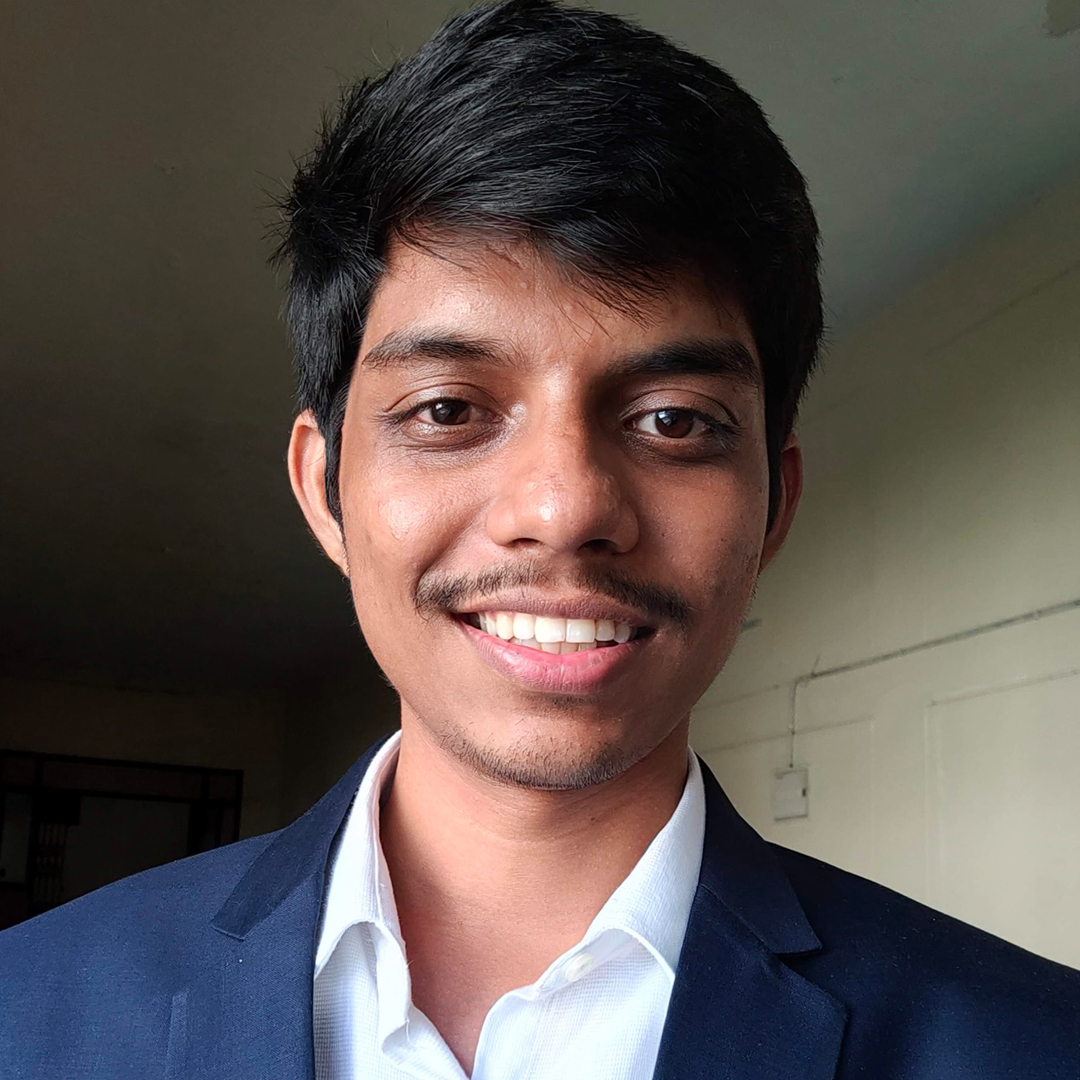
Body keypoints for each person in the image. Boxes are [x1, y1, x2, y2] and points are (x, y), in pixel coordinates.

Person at [2, 0, 1078, 1076]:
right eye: (447, 410)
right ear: (324, 490)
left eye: (673, 421)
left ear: (772, 509)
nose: (565, 510)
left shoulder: (1029, 1044)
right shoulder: (28, 1009)